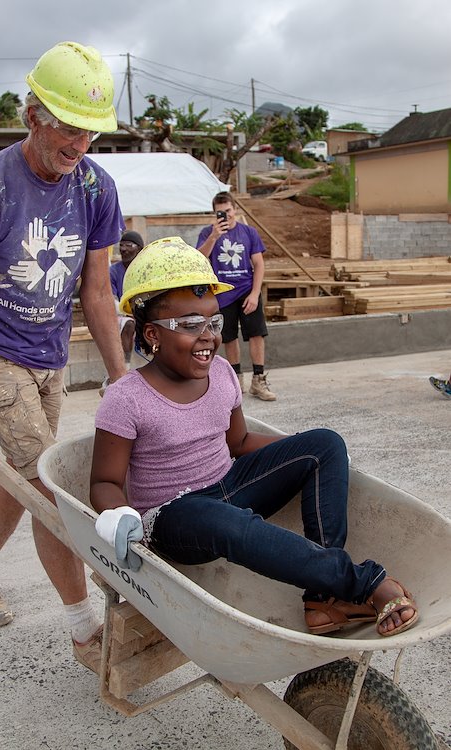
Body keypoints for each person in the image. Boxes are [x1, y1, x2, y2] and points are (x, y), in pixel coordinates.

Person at [90, 236, 419, 639]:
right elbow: (104, 482)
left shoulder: (223, 375)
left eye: (214, 322)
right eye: (191, 325)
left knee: (325, 444)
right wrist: (120, 514)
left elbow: (239, 443)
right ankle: (361, 582)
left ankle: (323, 599)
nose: (208, 335)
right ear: (152, 334)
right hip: (173, 516)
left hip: (228, 484)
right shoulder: (127, 397)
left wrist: (301, 455)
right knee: (229, 523)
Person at [0, 41, 127, 674]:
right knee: (49, 488)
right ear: (33, 117)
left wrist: (120, 378)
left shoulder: (94, 188)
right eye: (67, 127)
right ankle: (85, 632)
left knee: (28, 474)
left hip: (49, 353)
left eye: (90, 132)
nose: (79, 143)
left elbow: (99, 291)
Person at [196, 191, 276, 402]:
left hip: (247, 291)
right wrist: (214, 236)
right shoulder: (207, 233)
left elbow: (258, 264)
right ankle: (236, 379)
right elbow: (199, 259)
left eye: (228, 211)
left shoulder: (249, 232)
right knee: (229, 337)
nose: (226, 216)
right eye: (220, 212)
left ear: (235, 210)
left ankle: (259, 379)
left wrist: (255, 294)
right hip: (222, 293)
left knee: (257, 333)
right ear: (214, 213)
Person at [109, 230, 144, 365]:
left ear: (139, 249)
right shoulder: (113, 271)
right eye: (121, 245)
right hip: (119, 314)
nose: (123, 249)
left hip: (141, 312)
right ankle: (125, 365)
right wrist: (130, 313)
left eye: (129, 245)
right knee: (129, 324)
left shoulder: (145, 270)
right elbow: (111, 301)